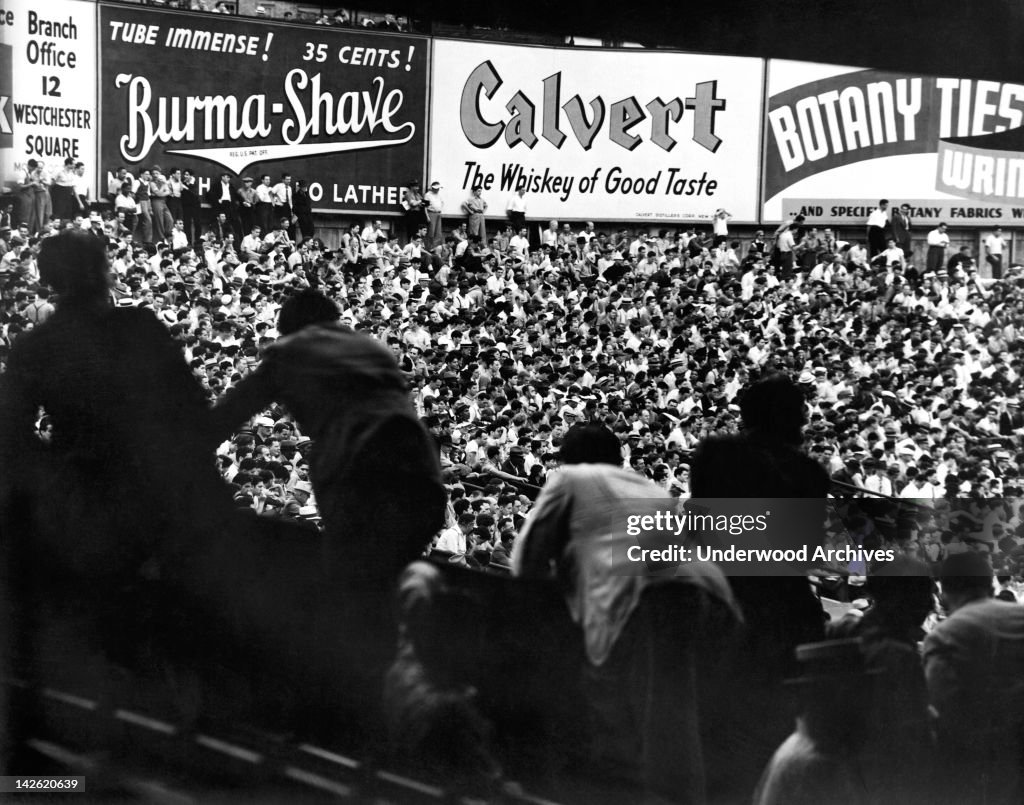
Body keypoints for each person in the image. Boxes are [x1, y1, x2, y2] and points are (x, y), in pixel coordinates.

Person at [0, 229, 236, 673]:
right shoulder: (140, 327)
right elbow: (191, 411)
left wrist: (59, 479)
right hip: (157, 499)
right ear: (103, 271)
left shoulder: (36, 347)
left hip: (83, 505)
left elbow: (10, 433)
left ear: (49, 277)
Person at [514, 421, 740, 804]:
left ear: (567, 458)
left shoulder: (571, 477)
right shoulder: (648, 488)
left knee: (643, 725)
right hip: (712, 598)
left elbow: (526, 560)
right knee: (675, 717)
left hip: (653, 598)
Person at [923, 552, 1024, 805]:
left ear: (943, 593)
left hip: (986, 758)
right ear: (991, 585)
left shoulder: (946, 634)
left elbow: (941, 705)